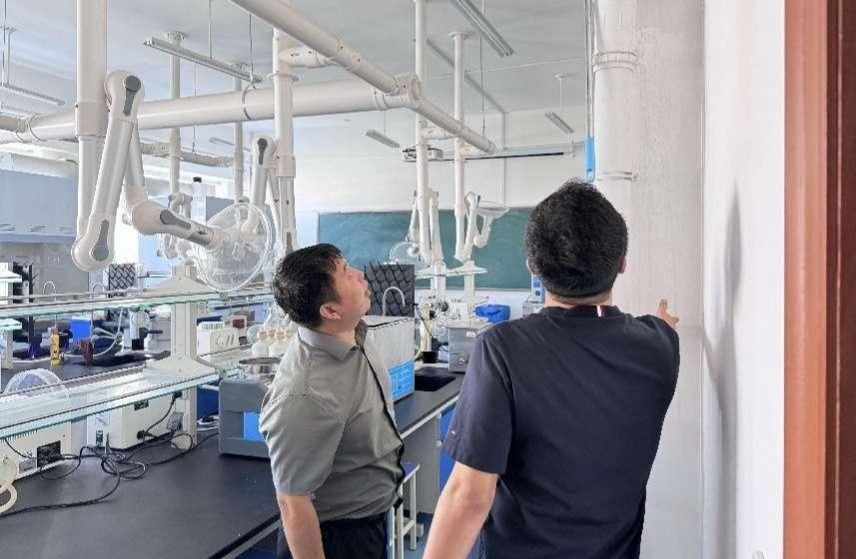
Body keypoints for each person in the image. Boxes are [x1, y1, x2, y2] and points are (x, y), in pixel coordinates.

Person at [423, 180, 680, 559]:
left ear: (532, 266)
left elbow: (470, 496)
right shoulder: (659, 347)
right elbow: (660, 327)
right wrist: (663, 325)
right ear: (622, 264)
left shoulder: (503, 349)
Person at [259, 243, 404, 559]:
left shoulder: (353, 331)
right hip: (336, 537)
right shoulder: (304, 394)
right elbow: (293, 502)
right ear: (330, 311)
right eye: (347, 274)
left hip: (370, 522)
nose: (361, 275)